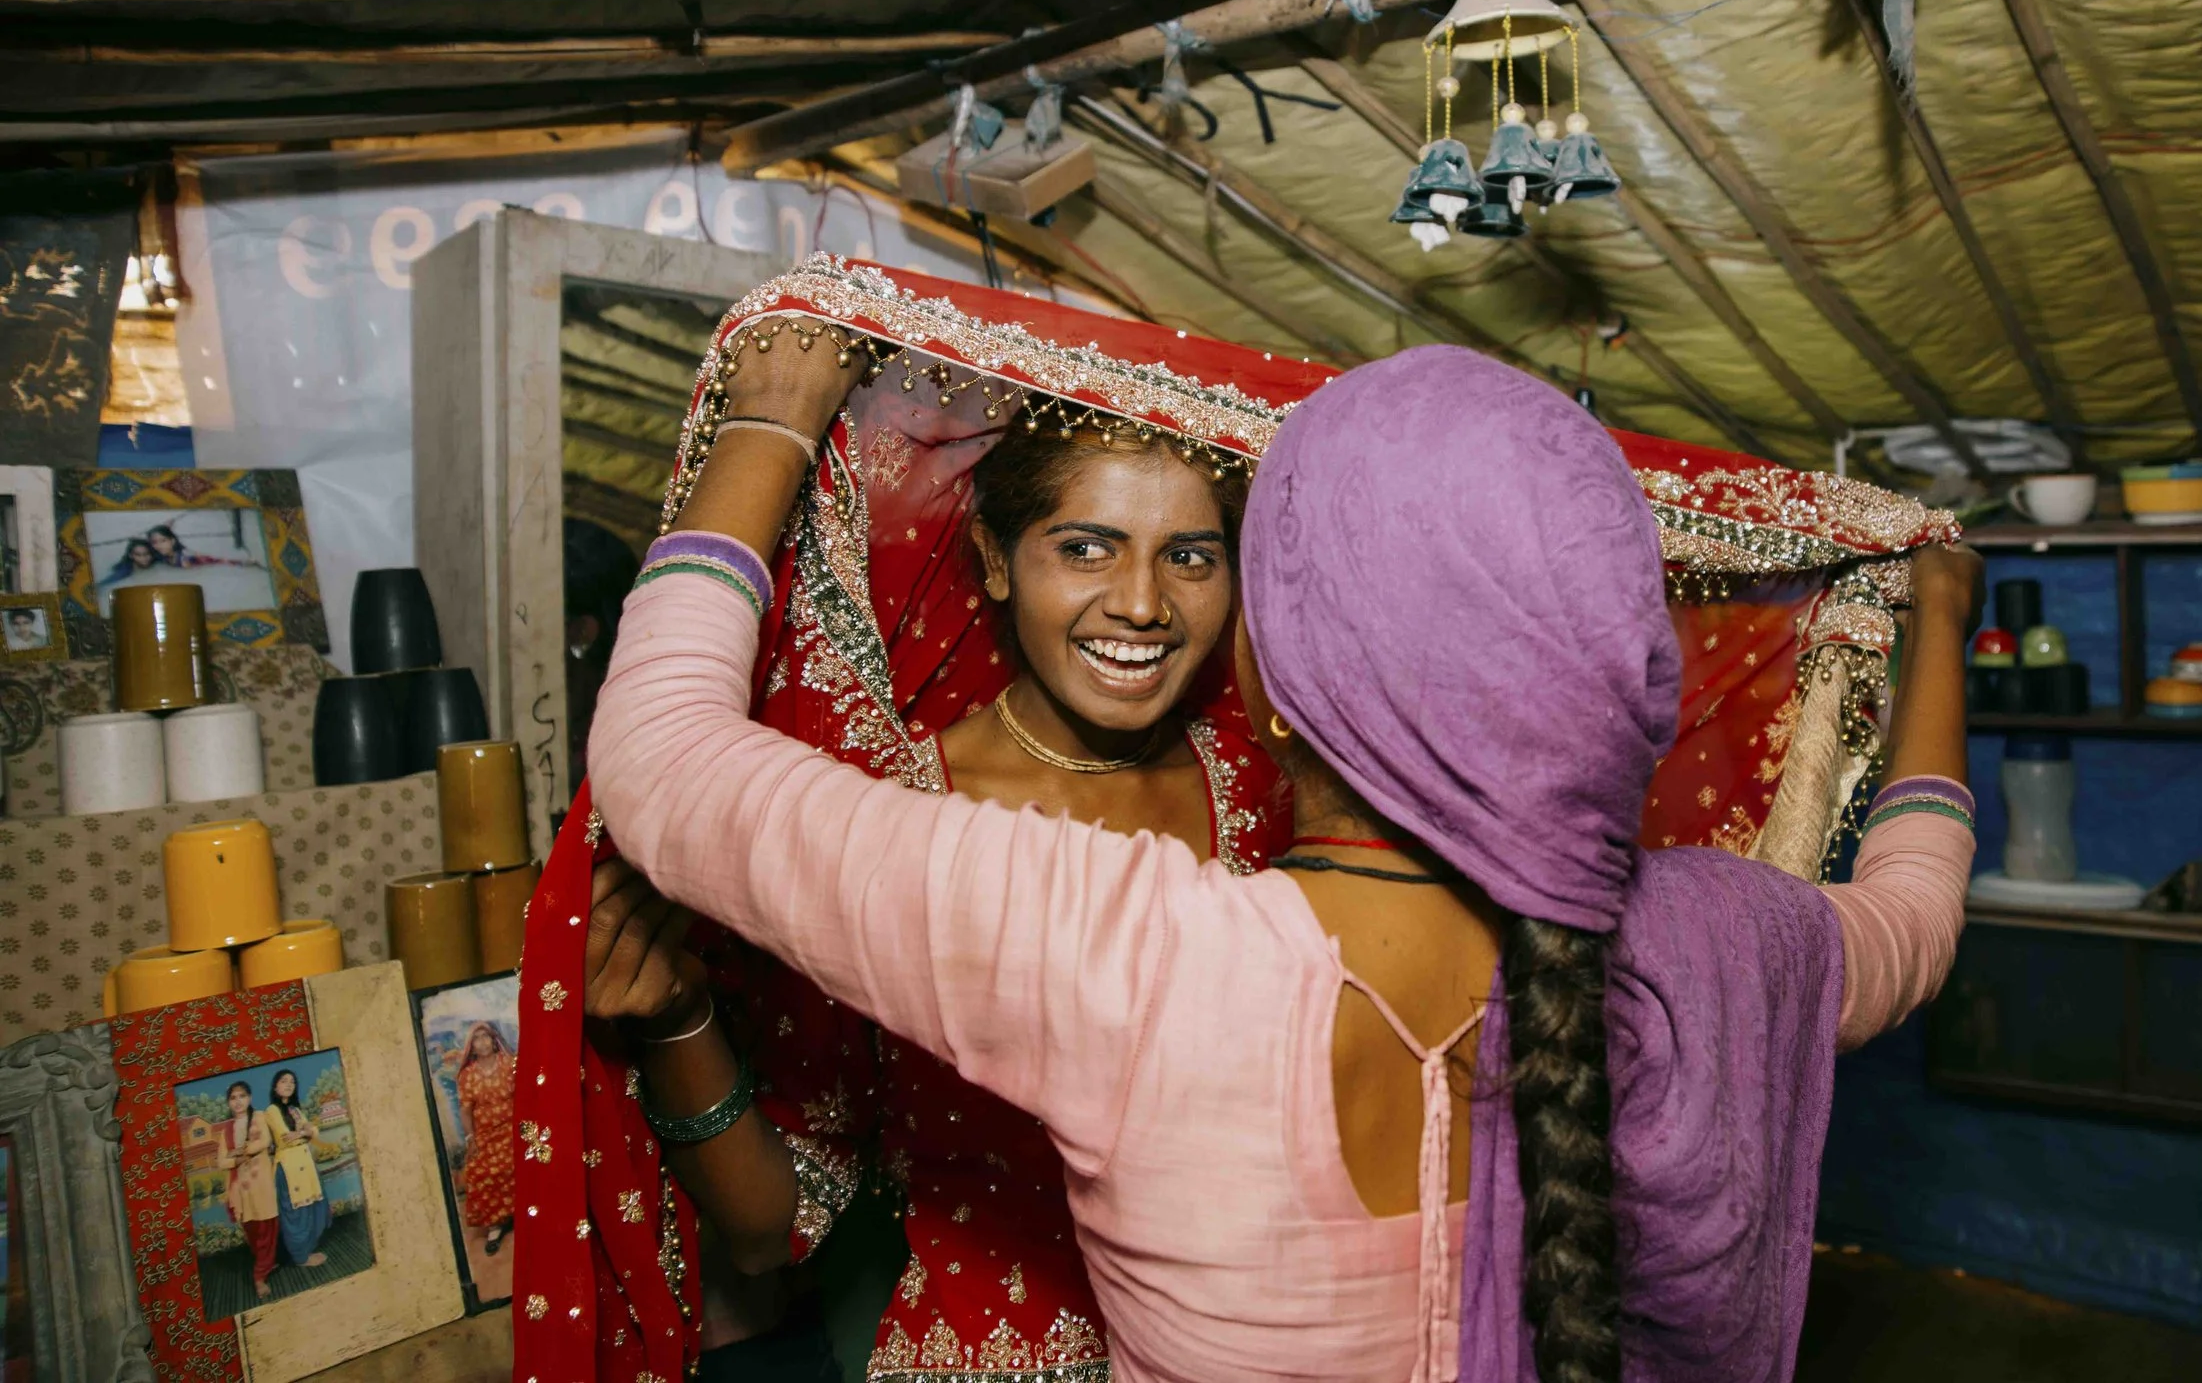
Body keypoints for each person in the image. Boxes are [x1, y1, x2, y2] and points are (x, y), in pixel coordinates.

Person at [582, 335, 1980, 1382]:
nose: (1147, 602)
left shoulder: (1128, 956)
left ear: (1266, 661)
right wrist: (1940, 628)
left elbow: (660, 761)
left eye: (1205, 559)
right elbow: (1914, 912)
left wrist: (767, 422)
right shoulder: (1712, 946)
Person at [522, 315, 1291, 1381]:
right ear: (993, 560)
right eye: (1085, 547)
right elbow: (772, 1226)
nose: (1141, 604)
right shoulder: (889, 810)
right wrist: (680, 1016)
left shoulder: (1274, 787)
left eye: (1191, 557)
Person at [452, 1024, 517, 1255]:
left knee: (523, 1164)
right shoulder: (468, 1075)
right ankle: (496, 1226)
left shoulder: (510, 1063)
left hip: (514, 1129)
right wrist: (471, 1138)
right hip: (486, 1135)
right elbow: (465, 1110)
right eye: (477, 1039)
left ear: (493, 1039)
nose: (482, 1042)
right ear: (472, 1046)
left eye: (486, 1037)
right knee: (482, 1172)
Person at [215, 1081, 281, 1300]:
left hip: (261, 1183)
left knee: (267, 1227)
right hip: (241, 1190)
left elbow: (265, 1140)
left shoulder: (259, 1117)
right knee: (252, 1230)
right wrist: (237, 1159)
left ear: (250, 1098)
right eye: (233, 1097)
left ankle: (259, 1275)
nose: (238, 1101)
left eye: (242, 1096)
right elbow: (222, 1162)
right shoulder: (225, 1130)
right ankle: (266, 1263)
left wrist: (242, 1152)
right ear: (229, 1102)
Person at [262, 1069, 329, 1270]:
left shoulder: (295, 1110)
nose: (289, 1085)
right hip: (289, 1168)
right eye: (284, 1081)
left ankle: (307, 1250)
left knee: (314, 1209)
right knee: (295, 1214)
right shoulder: (271, 1110)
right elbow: (285, 1139)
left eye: (292, 1082)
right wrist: (306, 1133)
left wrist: (302, 1133)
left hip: (306, 1165)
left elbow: (315, 1130)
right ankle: (300, 1257)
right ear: (275, 1086)